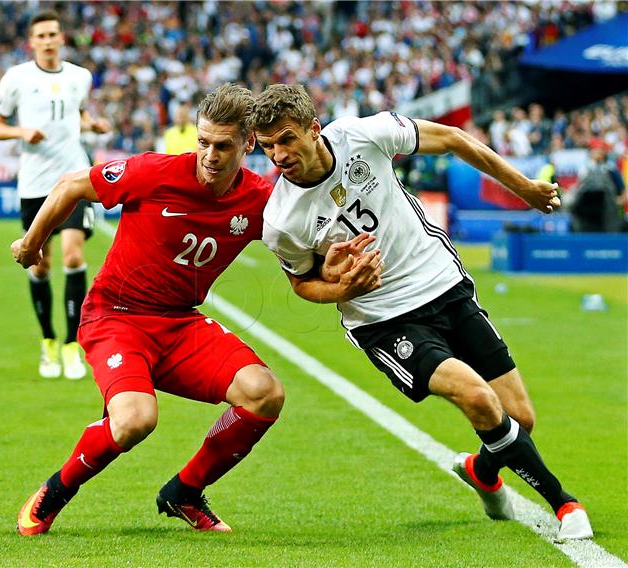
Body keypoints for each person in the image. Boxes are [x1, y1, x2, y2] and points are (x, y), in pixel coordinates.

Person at [250, 84, 593, 541]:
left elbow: (453, 138)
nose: (278, 154)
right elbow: (302, 282)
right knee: (477, 398)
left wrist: (525, 188)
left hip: (442, 284)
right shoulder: (282, 220)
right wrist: (340, 287)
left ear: (314, 129)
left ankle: (481, 471)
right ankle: (565, 504)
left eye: (287, 139)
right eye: (268, 145)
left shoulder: (363, 135)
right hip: (383, 320)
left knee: (518, 420)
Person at [10, 84, 283, 535]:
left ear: (248, 143)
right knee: (137, 420)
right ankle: (56, 490)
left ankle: (185, 492)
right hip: (115, 316)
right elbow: (71, 184)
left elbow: (303, 250)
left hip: (179, 322)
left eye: (222, 146)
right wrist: (32, 244)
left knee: (264, 393)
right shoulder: (154, 173)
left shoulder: (261, 199)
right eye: (202, 142)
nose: (209, 155)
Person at [0, 11, 111, 380]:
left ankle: (73, 344)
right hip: (34, 184)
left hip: (73, 177)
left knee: (74, 255)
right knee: (40, 263)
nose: (48, 40)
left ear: (62, 38)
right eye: (41, 35)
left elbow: (77, 114)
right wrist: (21, 132)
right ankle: (49, 342)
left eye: (53, 34)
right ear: (32, 41)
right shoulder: (17, 79)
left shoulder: (79, 77)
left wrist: (92, 124)